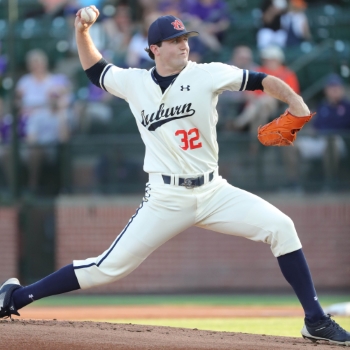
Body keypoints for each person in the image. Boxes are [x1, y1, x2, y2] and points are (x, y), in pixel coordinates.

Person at [1, 8, 349, 346]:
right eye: (174, 40)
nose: (183, 44)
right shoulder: (135, 82)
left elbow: (260, 80)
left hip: (214, 191)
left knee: (282, 227)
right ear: (154, 48)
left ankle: (315, 320)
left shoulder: (207, 73)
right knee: (107, 268)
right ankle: (17, 296)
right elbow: (96, 71)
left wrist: (294, 99)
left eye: (185, 38)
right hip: (166, 198)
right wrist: (82, 32)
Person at [283, 73, 350, 189]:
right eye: (331, 87)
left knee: (332, 140)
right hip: (320, 140)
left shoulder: (347, 106)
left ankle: (331, 181)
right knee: (288, 143)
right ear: (326, 90)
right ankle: (293, 183)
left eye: (336, 87)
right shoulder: (322, 106)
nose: (334, 90)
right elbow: (314, 126)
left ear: (342, 89)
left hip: (339, 141)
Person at [226, 45, 300, 136]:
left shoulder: (287, 74)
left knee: (265, 100)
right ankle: (255, 143)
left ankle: (239, 123)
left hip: (276, 105)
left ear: (278, 60)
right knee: (262, 112)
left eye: (270, 59)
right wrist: (257, 100)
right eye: (265, 59)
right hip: (257, 104)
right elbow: (248, 93)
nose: (267, 61)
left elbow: (292, 95)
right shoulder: (258, 71)